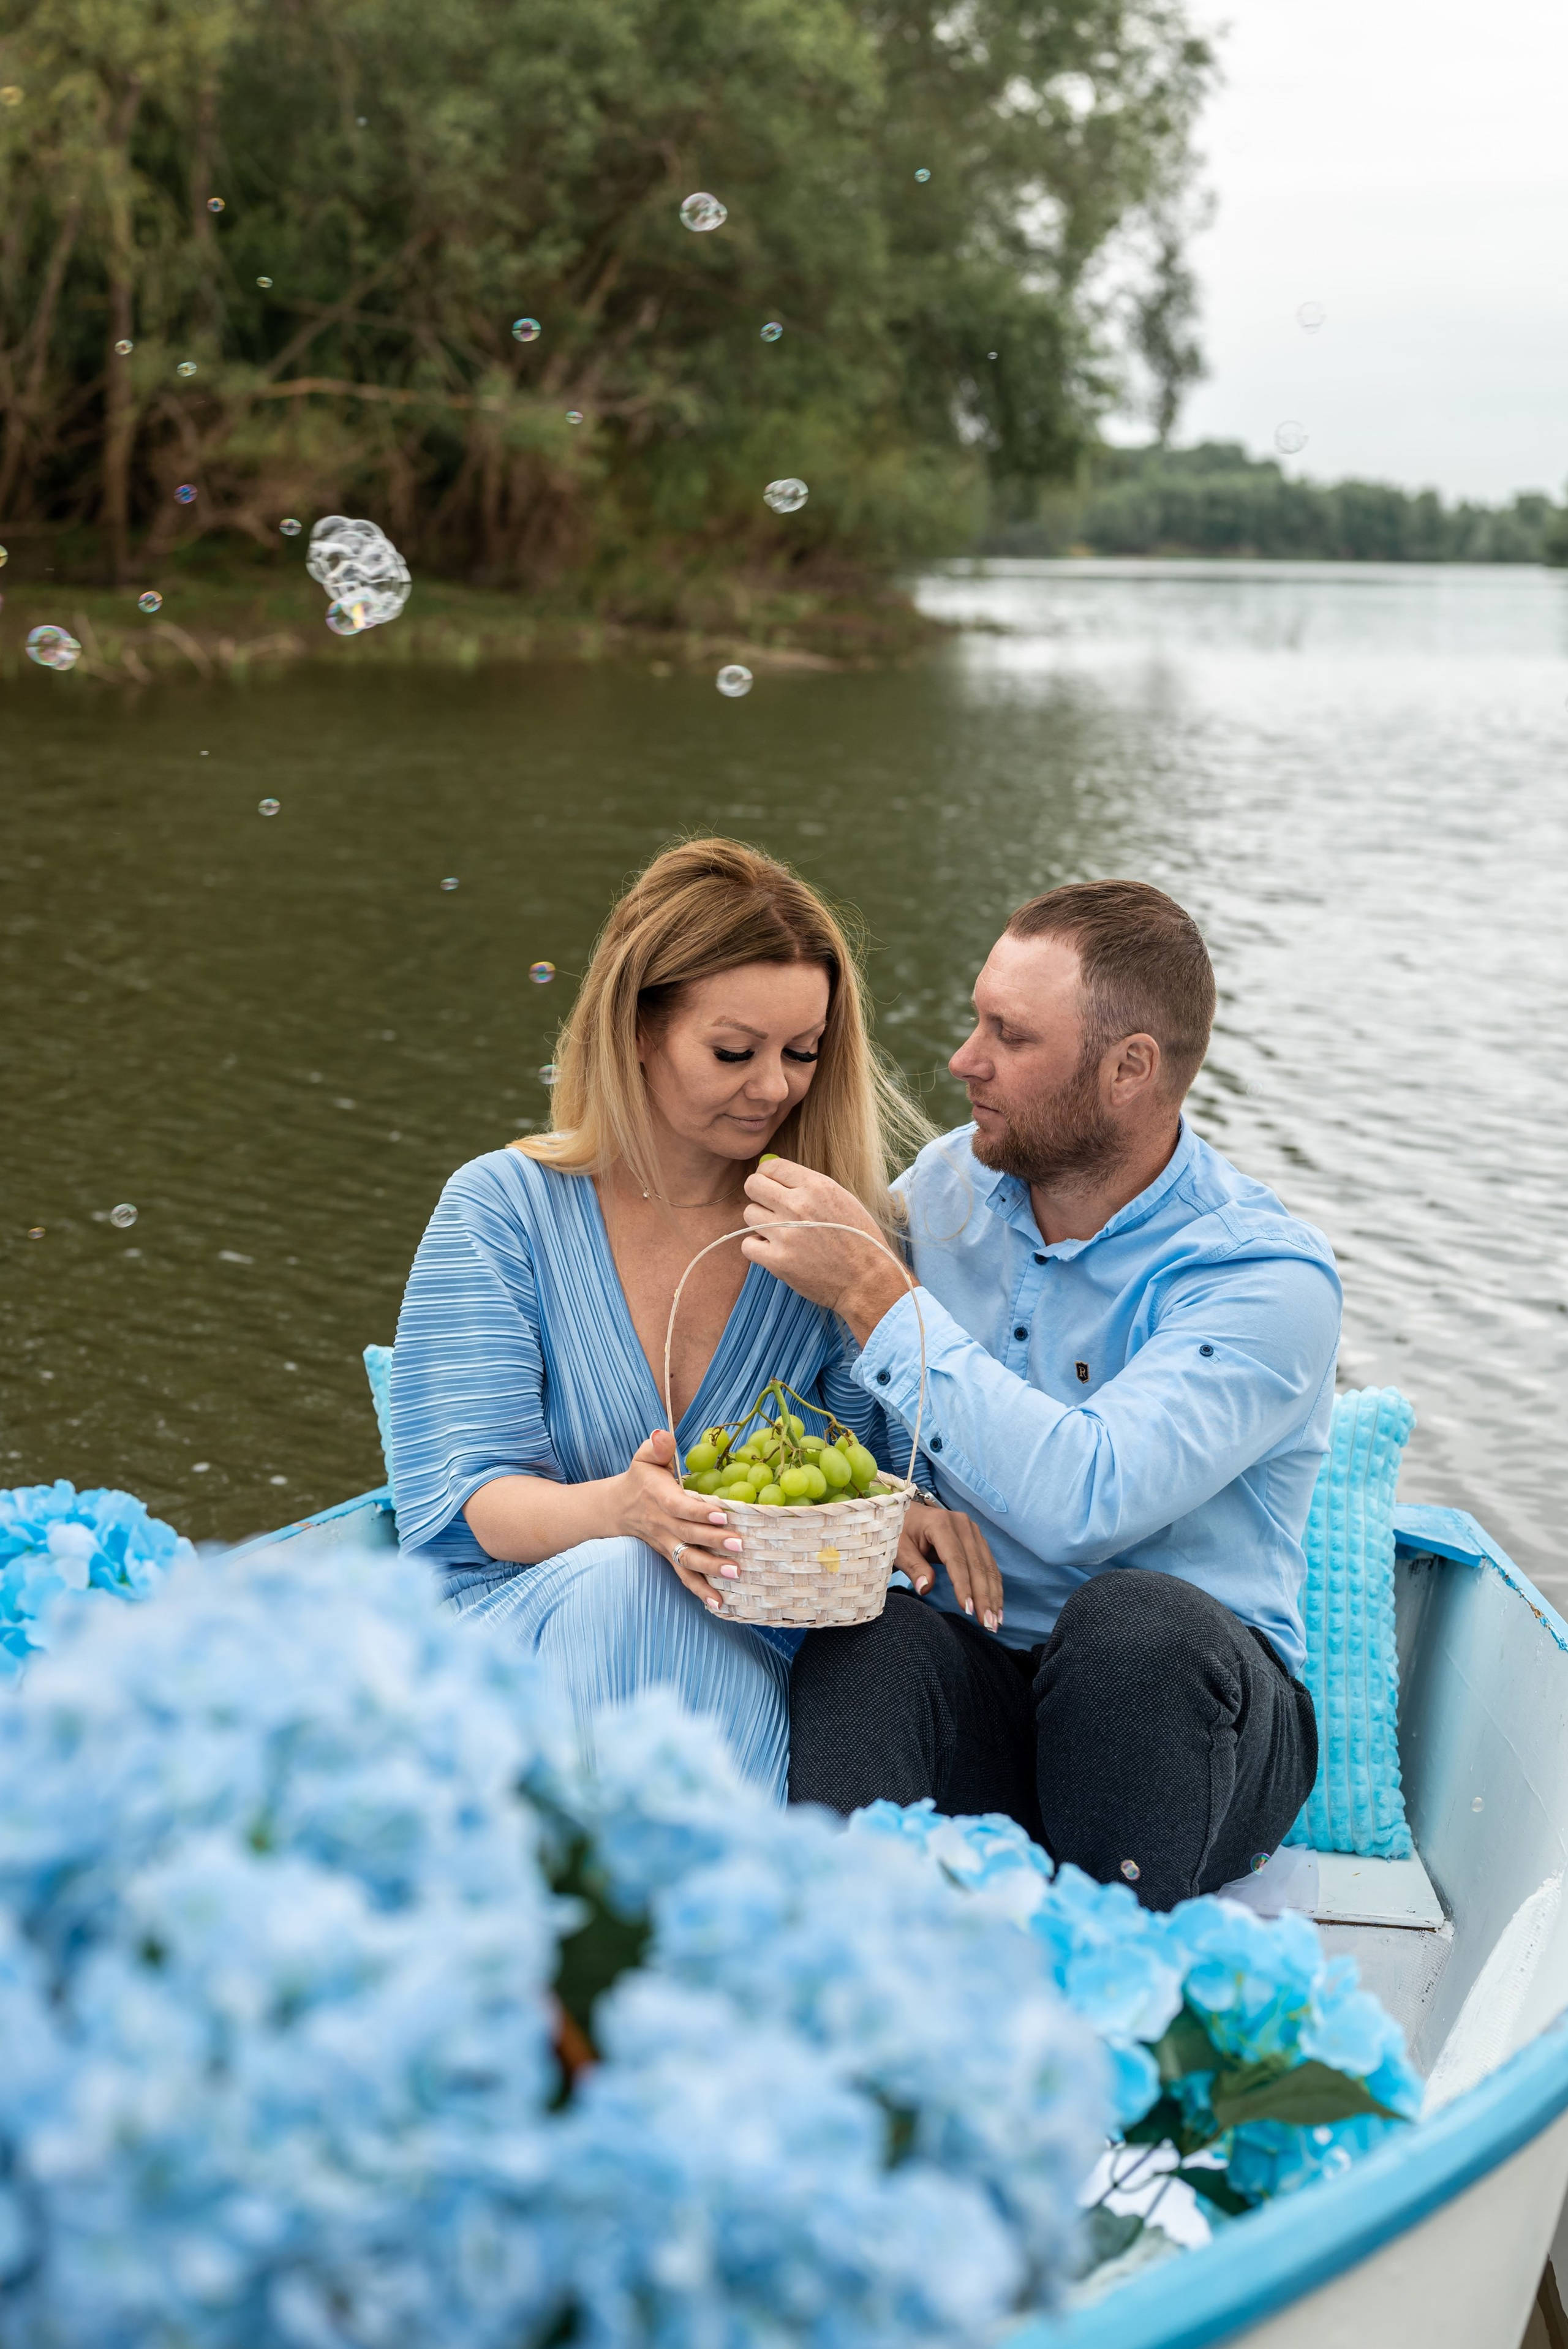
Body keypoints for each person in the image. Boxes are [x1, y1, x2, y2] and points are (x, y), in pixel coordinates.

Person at [737, 879, 1340, 1909]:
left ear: (1129, 1070)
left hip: (1197, 1728)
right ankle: (836, 1971)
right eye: (978, 1020)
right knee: (867, 1630)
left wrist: (884, 1299)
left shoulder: (1263, 1280)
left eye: (1009, 1037)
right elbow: (828, 1384)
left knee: (1134, 1632)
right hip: (988, 1684)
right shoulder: (946, 1187)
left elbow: (1083, 1499)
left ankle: (1111, 1998)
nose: (965, 1060)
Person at [388, 837, 928, 1798]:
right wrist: (625, 1513)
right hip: (519, 1625)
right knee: (628, 1583)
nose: (775, 1086)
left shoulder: (825, 1235)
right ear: (638, 1027)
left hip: (742, 1643)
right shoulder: (502, 1209)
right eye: (734, 1051)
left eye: (803, 1053)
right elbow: (469, 1502)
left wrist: (863, 1293)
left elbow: (872, 1489)